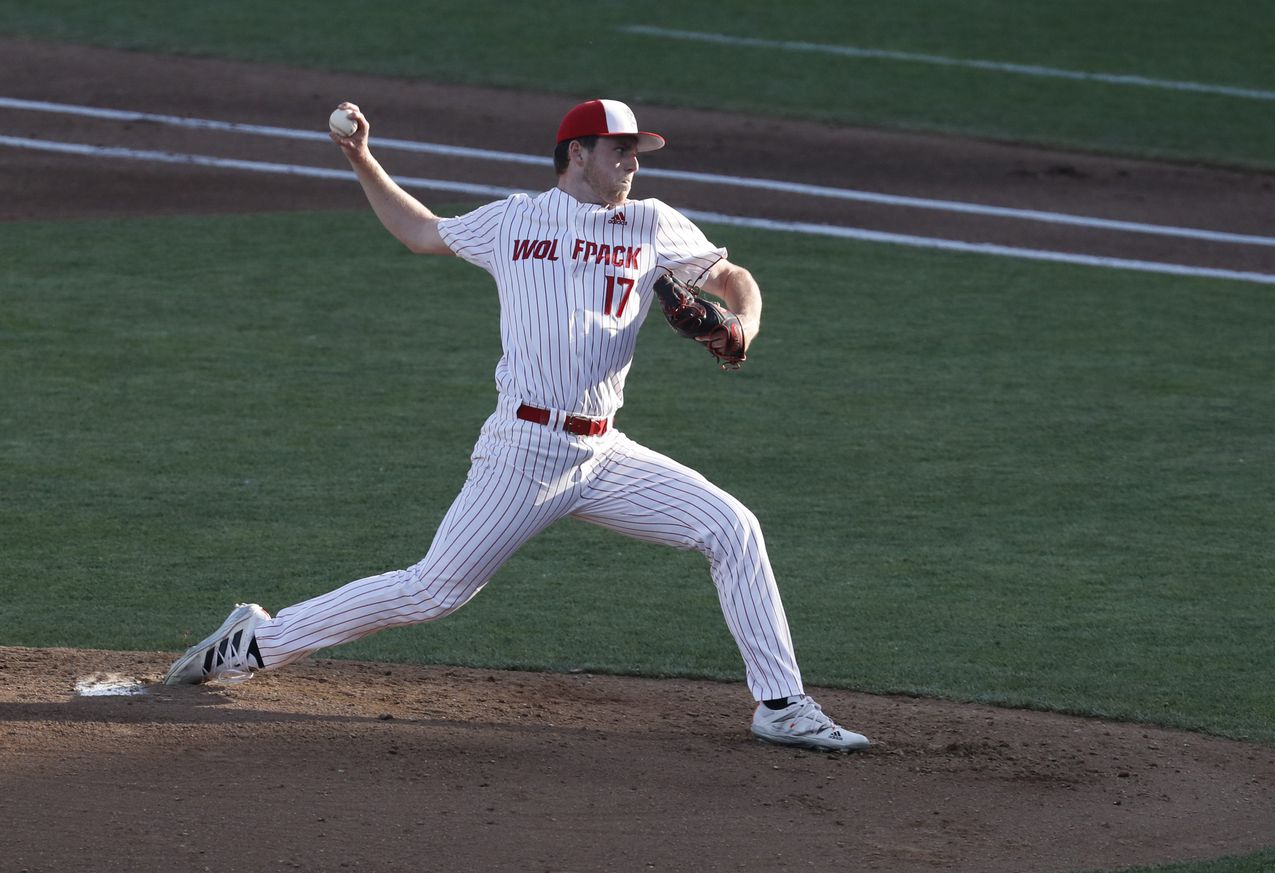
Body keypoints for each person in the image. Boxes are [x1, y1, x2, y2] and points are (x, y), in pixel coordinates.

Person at [162, 98, 870, 752]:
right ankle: (255, 640)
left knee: (732, 527)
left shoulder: (651, 221)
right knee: (432, 589)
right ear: (576, 155)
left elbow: (732, 277)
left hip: (603, 453)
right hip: (522, 451)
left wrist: (740, 324)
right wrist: (361, 159)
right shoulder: (515, 219)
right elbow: (419, 231)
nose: (632, 163)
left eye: (636, 153)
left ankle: (780, 703)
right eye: (618, 150)